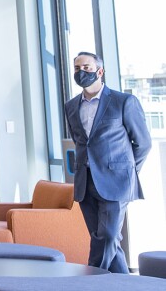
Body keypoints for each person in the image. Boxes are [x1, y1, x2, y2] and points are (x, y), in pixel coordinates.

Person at [64, 51, 151, 273]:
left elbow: (143, 143)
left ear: (99, 71)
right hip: (85, 182)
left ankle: (90, 280)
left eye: (86, 68)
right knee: (106, 242)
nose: (81, 72)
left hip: (116, 182)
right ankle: (126, 286)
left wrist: (127, 171)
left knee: (108, 236)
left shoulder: (123, 101)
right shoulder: (71, 106)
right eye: (77, 68)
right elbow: (81, 142)